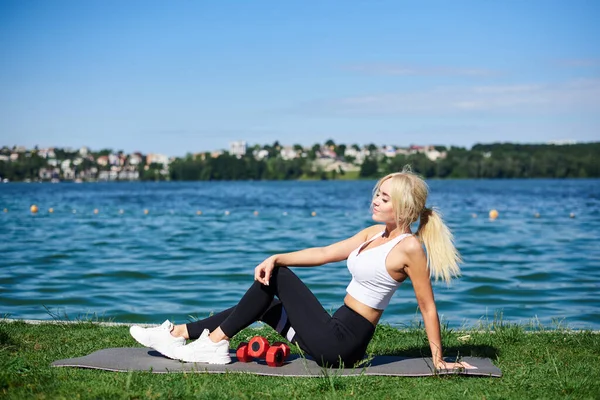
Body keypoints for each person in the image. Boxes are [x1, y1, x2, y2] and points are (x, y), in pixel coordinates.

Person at [130, 167, 468, 369]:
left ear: (404, 207)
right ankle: (180, 335)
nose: (375, 200)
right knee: (266, 303)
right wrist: (278, 255)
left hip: (341, 343)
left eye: (383, 197)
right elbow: (324, 253)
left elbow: (427, 305)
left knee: (278, 278)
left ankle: (214, 343)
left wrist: (437, 358)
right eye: (376, 193)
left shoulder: (408, 247)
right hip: (330, 334)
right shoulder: (373, 234)